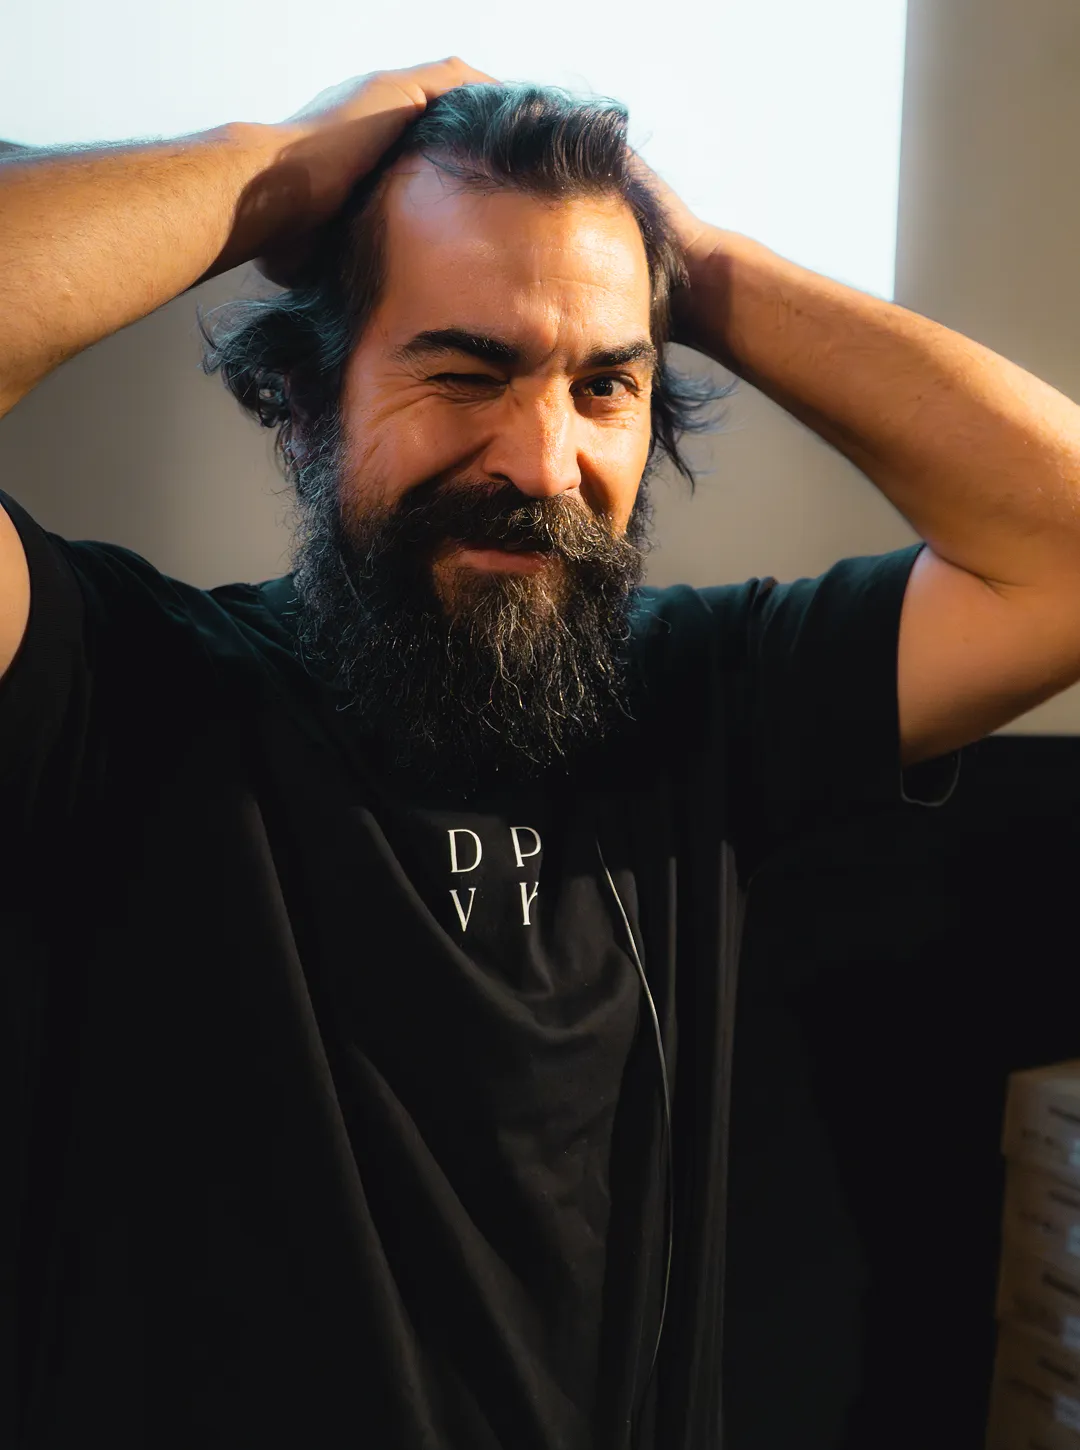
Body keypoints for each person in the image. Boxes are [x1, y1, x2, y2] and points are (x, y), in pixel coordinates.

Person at [4, 57, 1080, 1450]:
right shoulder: (127, 687)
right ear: (311, 400)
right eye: (467, 370)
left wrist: (697, 262)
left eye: (606, 387)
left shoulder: (697, 703)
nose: (544, 457)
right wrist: (284, 165)